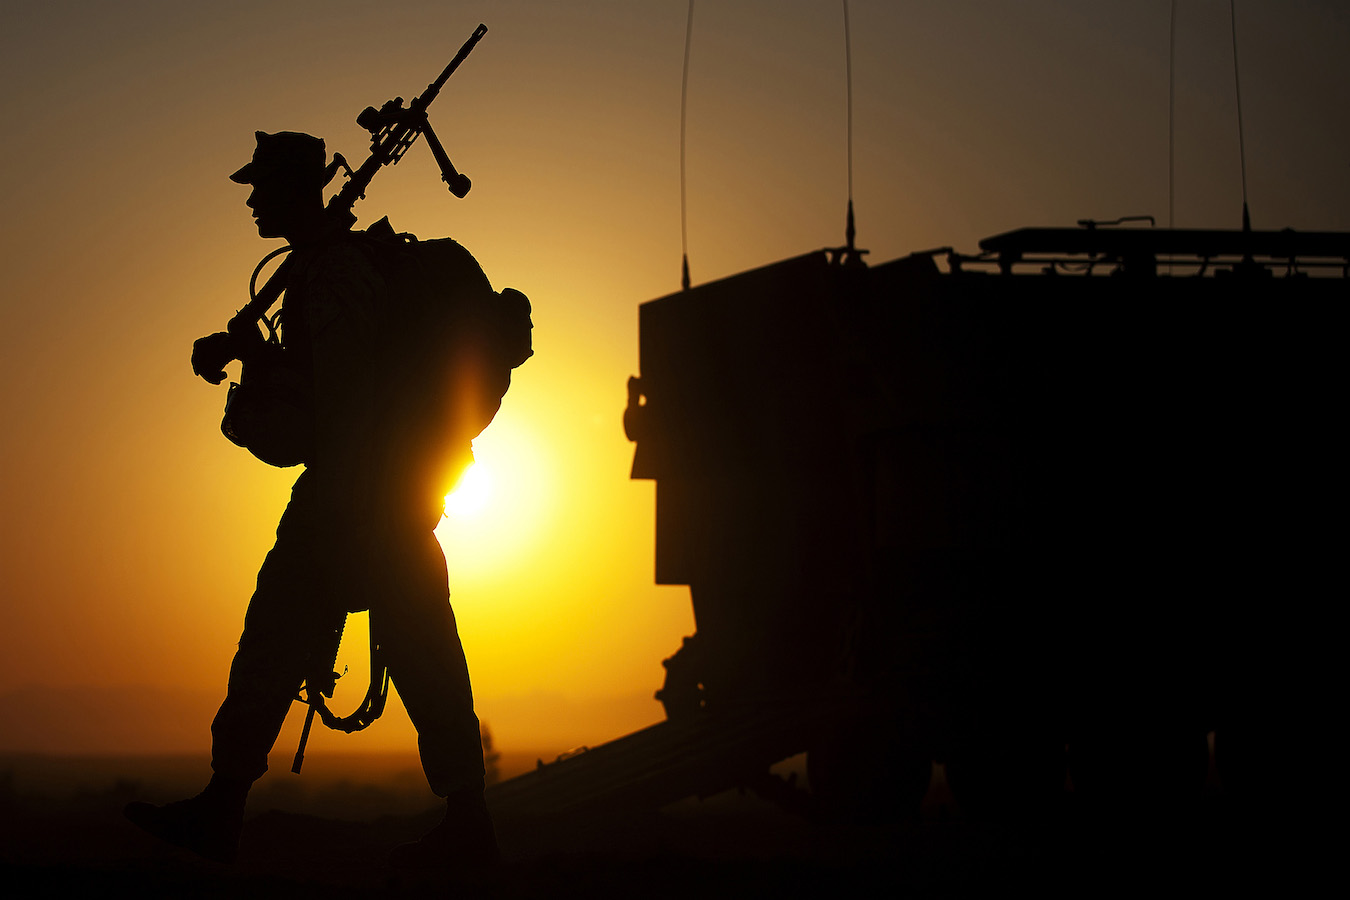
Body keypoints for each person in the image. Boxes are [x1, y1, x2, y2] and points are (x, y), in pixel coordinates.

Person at [124, 131, 501, 874]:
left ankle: (462, 827)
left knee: (340, 643)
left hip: (359, 494)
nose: (253, 199)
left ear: (298, 189)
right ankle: (229, 810)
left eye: (263, 187)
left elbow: (340, 404)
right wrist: (253, 357)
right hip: (374, 491)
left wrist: (263, 376)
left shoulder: (331, 278)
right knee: (390, 647)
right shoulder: (320, 268)